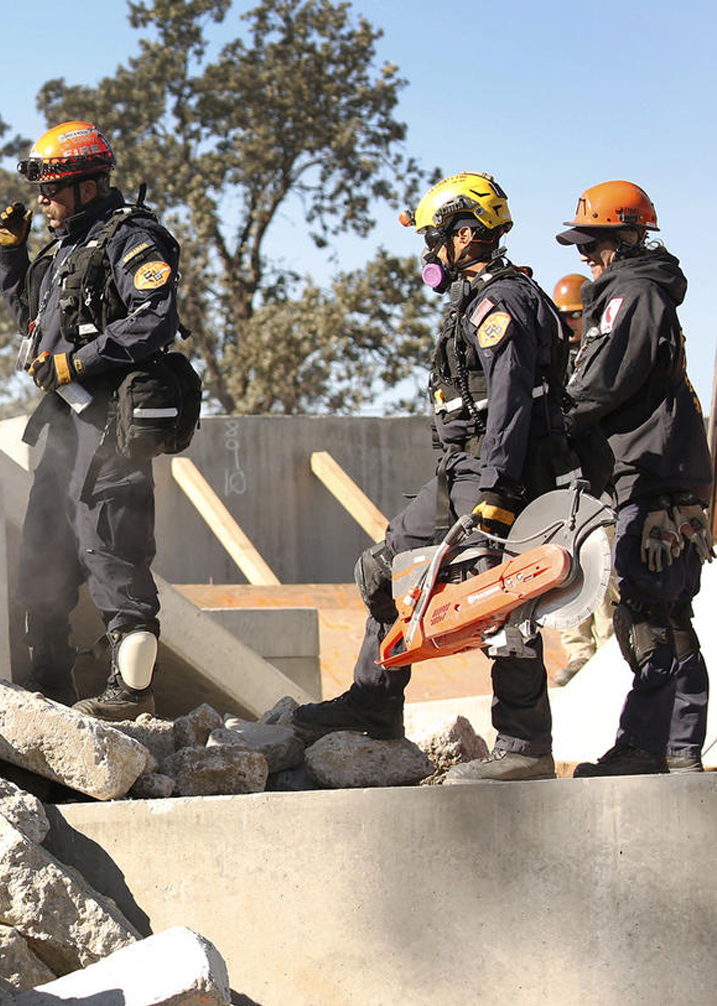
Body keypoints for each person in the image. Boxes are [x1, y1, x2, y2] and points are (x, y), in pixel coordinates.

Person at [291, 172, 571, 783]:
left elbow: (511, 401)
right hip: (465, 472)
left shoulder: (501, 301)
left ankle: (524, 747)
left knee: (502, 598)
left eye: (433, 237)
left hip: (499, 474)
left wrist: (497, 492)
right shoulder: (478, 299)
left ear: (465, 235)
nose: (427, 252)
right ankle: (376, 699)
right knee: (386, 570)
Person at [0, 121, 182, 718]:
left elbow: (155, 319)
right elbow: (32, 320)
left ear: (89, 184)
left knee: (111, 552)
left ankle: (132, 695)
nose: (42, 199)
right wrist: (10, 254)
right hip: (61, 428)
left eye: (53, 187)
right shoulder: (66, 248)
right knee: (43, 559)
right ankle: (49, 690)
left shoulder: (132, 238)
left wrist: (75, 363)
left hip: (107, 428)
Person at [557, 182, 712, 775]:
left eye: (591, 242)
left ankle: (649, 748)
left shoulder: (632, 293)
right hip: (663, 479)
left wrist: (555, 423)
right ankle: (676, 751)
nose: (584, 255)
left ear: (625, 237)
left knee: (649, 617)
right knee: (667, 618)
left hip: (651, 481)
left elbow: (605, 380)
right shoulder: (641, 291)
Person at [550, 271, 615, 686]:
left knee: (603, 576)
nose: (570, 324)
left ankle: (609, 655)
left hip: (600, 488)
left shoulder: (598, 357)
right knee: (567, 576)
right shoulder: (557, 364)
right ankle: (579, 654)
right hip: (564, 491)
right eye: (565, 317)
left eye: (575, 315)